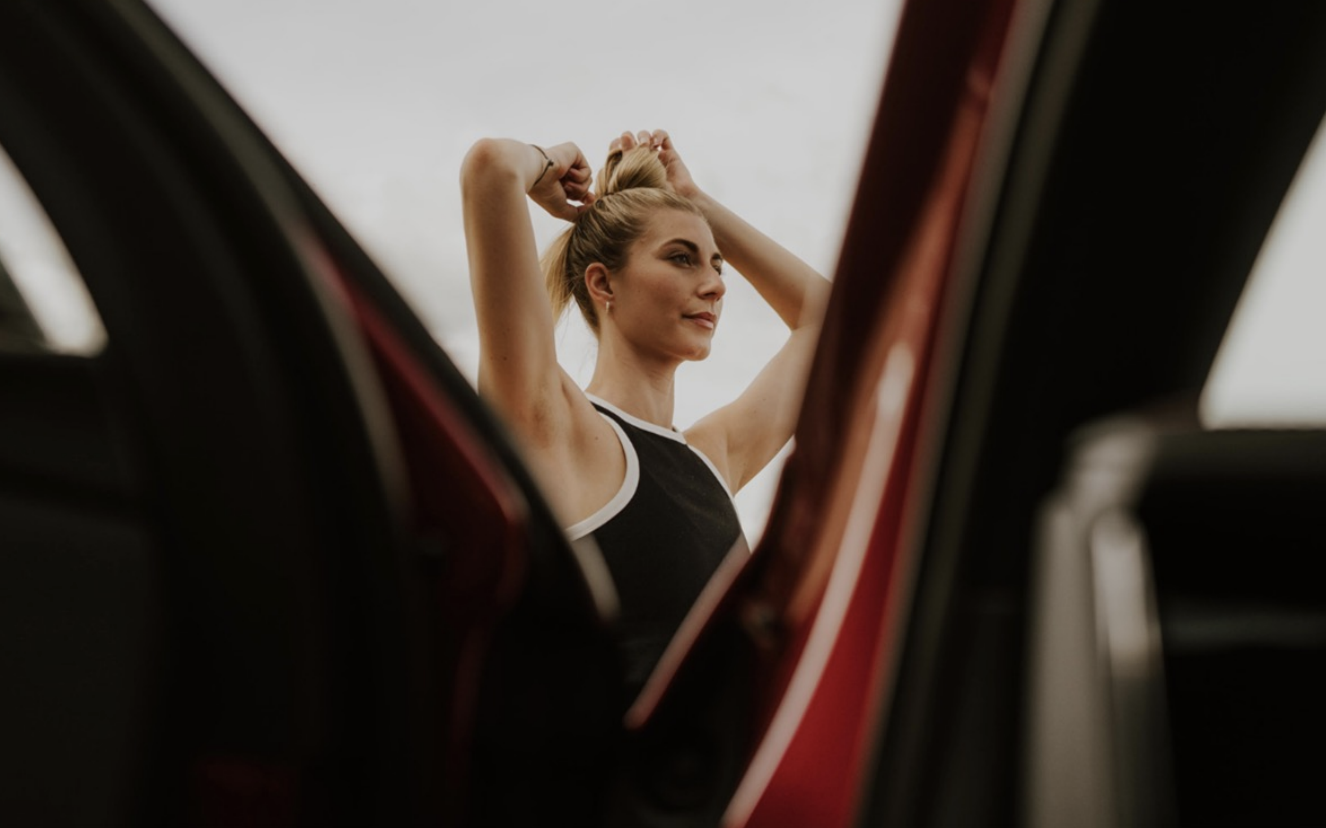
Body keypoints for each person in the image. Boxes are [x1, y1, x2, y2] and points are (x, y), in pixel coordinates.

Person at [461, 129, 829, 698]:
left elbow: (828, 326)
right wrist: (554, 163)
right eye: (681, 259)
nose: (713, 286)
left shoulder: (712, 460)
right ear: (603, 282)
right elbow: (490, 168)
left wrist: (696, 202)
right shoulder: (556, 426)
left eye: (717, 265)